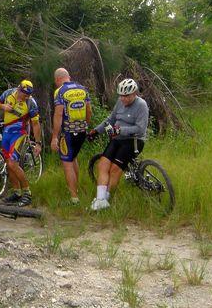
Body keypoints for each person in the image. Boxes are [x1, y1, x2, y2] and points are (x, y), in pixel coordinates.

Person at [87, 78, 149, 211]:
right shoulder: (120, 103)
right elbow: (111, 119)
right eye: (121, 96)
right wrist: (96, 131)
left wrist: (120, 130)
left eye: (126, 96)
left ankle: (106, 200)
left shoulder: (141, 105)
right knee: (103, 165)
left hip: (133, 141)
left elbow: (140, 129)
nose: (123, 99)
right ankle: (100, 200)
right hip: (117, 139)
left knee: (115, 169)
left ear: (134, 94)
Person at [0, 80, 42, 207]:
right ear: (19, 89)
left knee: (13, 163)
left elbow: (35, 124)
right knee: (8, 164)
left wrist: (38, 143)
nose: (26, 97)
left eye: (28, 95)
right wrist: (3, 107)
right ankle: (16, 193)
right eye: (24, 94)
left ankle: (27, 194)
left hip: (20, 134)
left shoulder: (31, 103)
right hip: (6, 132)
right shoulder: (8, 93)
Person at [50, 68, 92, 204]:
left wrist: (54, 137)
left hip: (68, 132)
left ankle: (74, 199)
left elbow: (58, 114)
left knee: (67, 163)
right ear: (69, 76)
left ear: (57, 80)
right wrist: (85, 125)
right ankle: (76, 190)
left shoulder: (60, 91)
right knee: (73, 158)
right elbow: (89, 110)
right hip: (81, 131)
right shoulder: (83, 89)